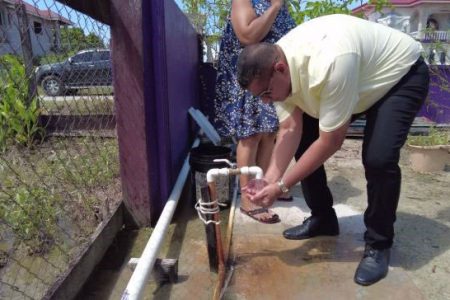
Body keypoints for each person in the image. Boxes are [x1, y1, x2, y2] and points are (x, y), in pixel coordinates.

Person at [237, 14, 429, 285]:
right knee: (304, 141)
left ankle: (379, 244)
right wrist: (268, 180)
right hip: (357, 77)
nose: (267, 102)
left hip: (398, 76)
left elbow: (332, 141)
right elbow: (291, 129)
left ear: (280, 68)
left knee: (378, 158)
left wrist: (281, 186)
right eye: (260, 98)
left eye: (267, 94)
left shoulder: (329, 61)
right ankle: (323, 218)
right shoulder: (274, 67)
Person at [213, 0, 295, 223]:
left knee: (269, 133)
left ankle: (261, 190)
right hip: (252, 77)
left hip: (272, 77)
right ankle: (248, 201)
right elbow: (247, 36)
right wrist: (275, 8)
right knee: (251, 135)